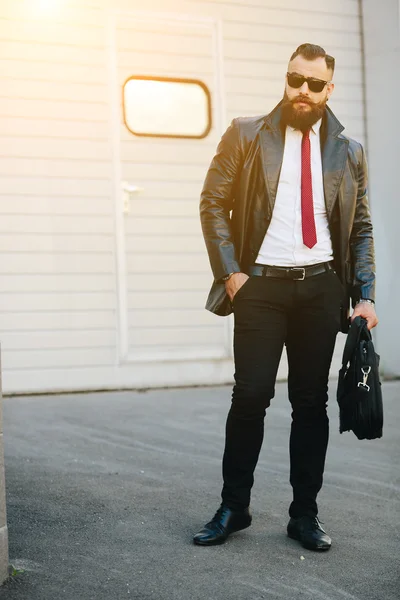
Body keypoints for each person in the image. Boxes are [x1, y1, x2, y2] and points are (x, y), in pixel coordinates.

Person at [194, 43, 378, 551]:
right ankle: (234, 506)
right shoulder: (247, 133)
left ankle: (304, 514)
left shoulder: (350, 151)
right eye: (295, 79)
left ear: (329, 89)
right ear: (287, 78)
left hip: (321, 287)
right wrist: (231, 273)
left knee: (310, 402)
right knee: (250, 396)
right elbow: (212, 203)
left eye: (314, 84)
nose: (302, 90)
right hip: (260, 286)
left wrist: (364, 295)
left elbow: (360, 226)